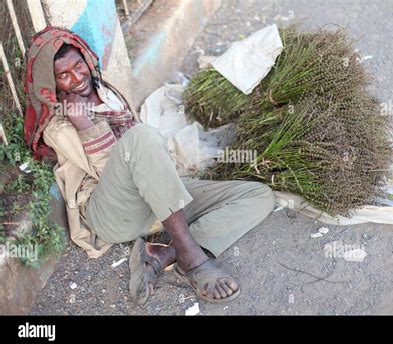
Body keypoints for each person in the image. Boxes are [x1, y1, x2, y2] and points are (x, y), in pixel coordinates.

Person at [24, 26, 275, 304]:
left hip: (150, 199)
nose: (76, 78)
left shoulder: (104, 91)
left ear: (86, 60)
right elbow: (110, 170)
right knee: (142, 136)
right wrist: (84, 124)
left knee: (259, 195)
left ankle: (163, 254)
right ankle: (191, 257)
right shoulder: (58, 126)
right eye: (64, 75)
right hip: (112, 214)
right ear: (51, 82)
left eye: (78, 65)